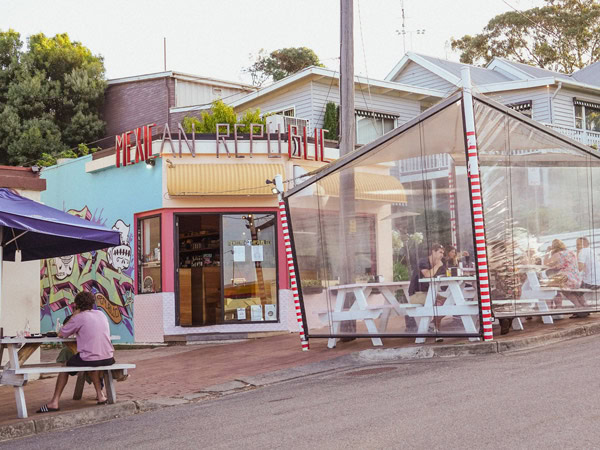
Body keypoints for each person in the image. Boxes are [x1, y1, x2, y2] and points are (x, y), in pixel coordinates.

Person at [37, 291, 114, 413]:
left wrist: (74, 315)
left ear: (76, 305)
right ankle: (101, 396)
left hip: (90, 358)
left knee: (65, 367)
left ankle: (54, 402)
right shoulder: (101, 314)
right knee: (92, 363)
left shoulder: (79, 317)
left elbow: (61, 334)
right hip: (109, 357)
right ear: (92, 303)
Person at [408, 243, 447, 341]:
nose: (442, 255)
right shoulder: (423, 261)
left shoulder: (438, 264)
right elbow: (427, 275)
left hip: (429, 293)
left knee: (448, 301)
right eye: (440, 252)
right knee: (438, 303)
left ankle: (434, 324)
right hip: (416, 295)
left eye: (443, 253)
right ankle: (436, 330)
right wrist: (438, 266)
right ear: (433, 252)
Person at [542, 239, 585, 312]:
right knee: (565, 289)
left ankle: (555, 308)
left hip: (567, 278)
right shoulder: (571, 252)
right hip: (576, 278)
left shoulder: (558, 254)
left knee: (549, 287)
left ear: (553, 247)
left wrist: (547, 253)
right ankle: (579, 306)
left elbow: (546, 264)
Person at [574, 237, 599, 317]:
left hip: (591, 281)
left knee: (574, 290)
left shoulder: (583, 251)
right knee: (578, 289)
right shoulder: (592, 251)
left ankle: (582, 310)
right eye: (576, 244)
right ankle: (584, 310)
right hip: (597, 279)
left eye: (578, 244)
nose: (577, 246)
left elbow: (579, 268)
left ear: (585, 244)